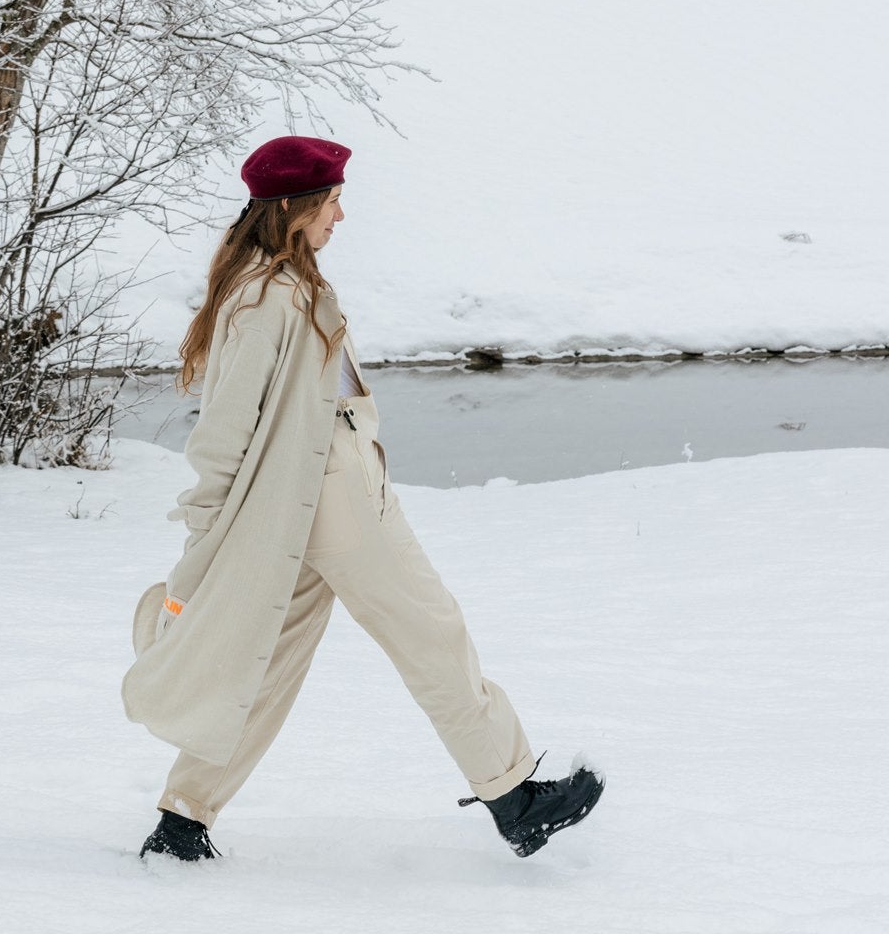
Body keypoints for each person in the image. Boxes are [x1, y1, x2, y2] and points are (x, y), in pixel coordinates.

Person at [122, 134, 604, 862]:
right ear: (297, 208)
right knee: (430, 631)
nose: (340, 218)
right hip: (330, 498)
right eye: (334, 203)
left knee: (267, 658)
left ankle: (183, 822)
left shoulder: (278, 286)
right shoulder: (266, 299)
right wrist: (207, 526)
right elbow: (223, 429)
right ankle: (513, 797)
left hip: (311, 499)